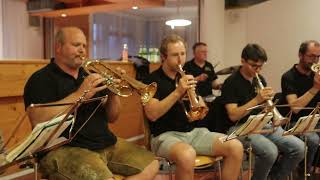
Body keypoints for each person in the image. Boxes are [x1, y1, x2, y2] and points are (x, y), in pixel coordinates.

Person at [23, 27, 159, 180]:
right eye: (76, 45)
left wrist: (113, 94)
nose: (82, 50)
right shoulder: (41, 79)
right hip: (65, 149)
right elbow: (37, 119)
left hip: (104, 142)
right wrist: (79, 94)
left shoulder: (91, 75)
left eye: (84, 46)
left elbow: (112, 117)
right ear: (58, 47)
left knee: (152, 164)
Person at [143, 34, 243, 180]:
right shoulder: (152, 80)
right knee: (187, 155)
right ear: (163, 57)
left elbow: (199, 107)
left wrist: (200, 105)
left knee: (235, 146)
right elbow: (152, 114)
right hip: (164, 136)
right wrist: (178, 92)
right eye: (175, 55)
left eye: (183, 54)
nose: (180, 59)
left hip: (194, 132)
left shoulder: (185, 77)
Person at [220, 43, 304, 180]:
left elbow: (263, 107)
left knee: (299, 148)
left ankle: (275, 177)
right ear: (242, 61)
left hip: (261, 124)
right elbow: (233, 115)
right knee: (270, 152)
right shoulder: (231, 82)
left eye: (260, 66)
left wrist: (271, 110)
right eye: (254, 65)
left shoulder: (260, 79)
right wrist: (257, 99)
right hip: (239, 128)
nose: (257, 70)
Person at [281, 40, 320, 174]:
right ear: (300, 55)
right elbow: (295, 108)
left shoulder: (316, 75)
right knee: (313, 140)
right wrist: (315, 88)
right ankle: (304, 172)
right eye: (311, 56)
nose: (315, 60)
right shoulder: (288, 77)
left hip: (314, 120)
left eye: (318, 57)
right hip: (294, 122)